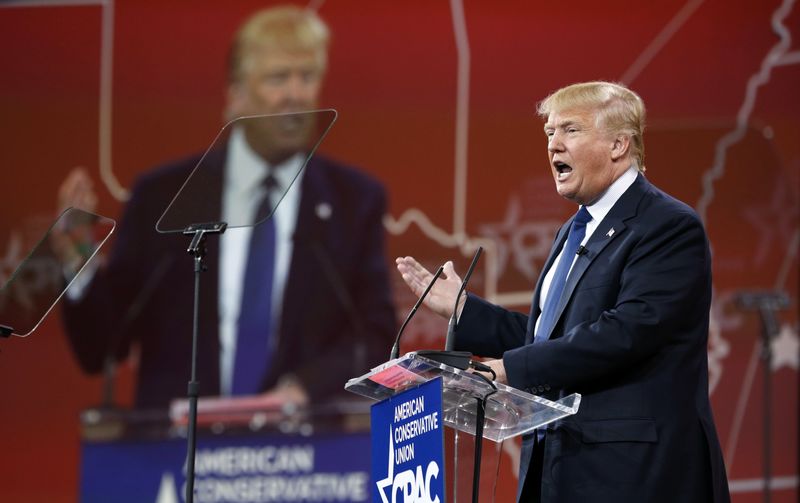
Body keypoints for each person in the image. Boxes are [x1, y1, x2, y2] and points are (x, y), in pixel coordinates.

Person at [396, 81, 730, 502]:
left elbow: (624, 334)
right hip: (559, 470)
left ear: (618, 145)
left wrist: (507, 370)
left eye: (570, 130)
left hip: (634, 476)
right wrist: (464, 310)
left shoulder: (667, 226)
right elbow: (553, 340)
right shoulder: (572, 231)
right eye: (549, 133)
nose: (554, 145)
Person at [58, 5, 396, 409]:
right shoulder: (164, 197)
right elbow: (103, 347)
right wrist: (79, 261)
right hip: (178, 456)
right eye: (277, 78)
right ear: (235, 95)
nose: (295, 93)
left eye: (307, 77)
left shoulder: (352, 201)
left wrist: (304, 388)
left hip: (305, 454)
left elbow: (373, 336)